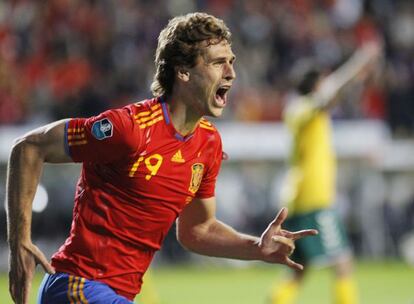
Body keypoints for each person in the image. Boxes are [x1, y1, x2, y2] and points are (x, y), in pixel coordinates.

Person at [6, 12, 318, 304]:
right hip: (75, 285)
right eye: (218, 63)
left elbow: (197, 230)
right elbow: (29, 148)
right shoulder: (128, 129)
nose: (232, 73)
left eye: (231, 62)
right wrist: (20, 241)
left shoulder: (208, 143)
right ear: (183, 71)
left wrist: (256, 249)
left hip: (116, 294)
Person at [269, 41, 381, 304]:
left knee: (299, 270)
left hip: (302, 199)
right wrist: (360, 61)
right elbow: (331, 94)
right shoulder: (303, 109)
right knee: (343, 262)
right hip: (313, 201)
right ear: (316, 85)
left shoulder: (305, 114)